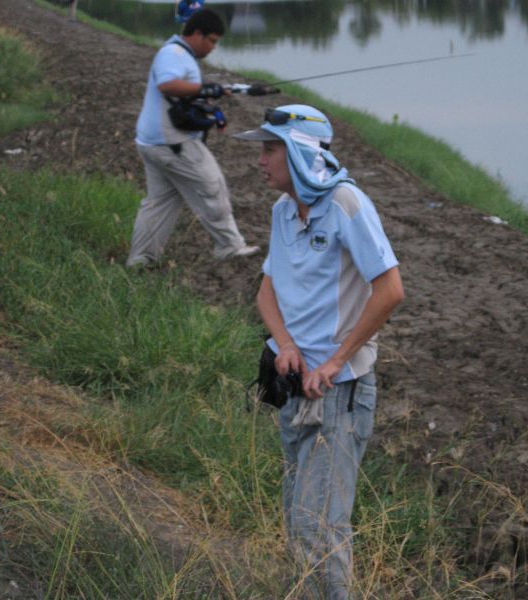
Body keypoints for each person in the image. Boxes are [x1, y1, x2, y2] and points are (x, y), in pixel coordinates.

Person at [235, 104, 404, 598]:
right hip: (293, 388)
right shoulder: (283, 212)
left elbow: (390, 290)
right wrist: (286, 344)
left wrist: (335, 360)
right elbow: (266, 292)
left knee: (319, 527)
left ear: (298, 152)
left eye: (269, 149)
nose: (261, 160)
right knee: (298, 519)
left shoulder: (347, 203)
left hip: (339, 394)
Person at [127, 8, 259, 267]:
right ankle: (229, 246)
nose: (213, 47)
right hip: (172, 143)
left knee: (160, 202)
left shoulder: (178, 54)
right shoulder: (173, 54)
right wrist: (205, 88)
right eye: (211, 40)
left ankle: (141, 260)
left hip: (153, 142)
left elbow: (184, 92)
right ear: (197, 34)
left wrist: (216, 95)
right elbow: (167, 84)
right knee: (212, 185)